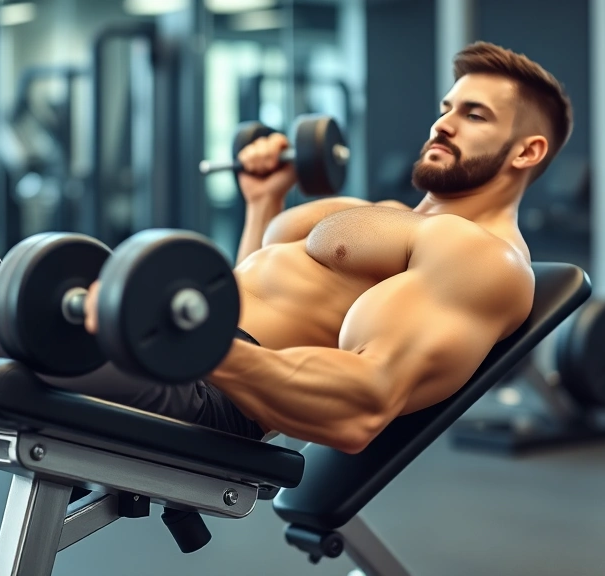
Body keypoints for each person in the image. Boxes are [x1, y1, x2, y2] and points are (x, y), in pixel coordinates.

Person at [47, 41, 573, 455]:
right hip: (190, 352)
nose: (442, 124)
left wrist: (193, 345)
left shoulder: (481, 256)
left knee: (20, 352)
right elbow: (250, 292)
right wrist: (263, 201)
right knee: (7, 318)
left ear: (527, 151)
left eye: (474, 115)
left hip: (205, 392)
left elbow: (363, 406)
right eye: (446, 108)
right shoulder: (386, 214)